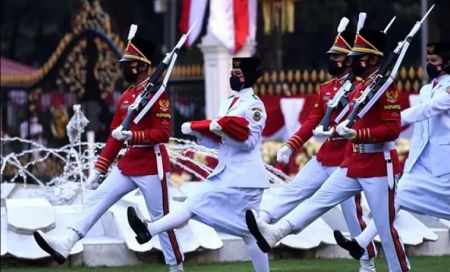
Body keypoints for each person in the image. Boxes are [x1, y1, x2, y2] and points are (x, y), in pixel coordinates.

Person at [246, 27, 410, 272]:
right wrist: (335, 132)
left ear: (373, 59)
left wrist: (356, 133)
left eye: (358, 56)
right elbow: (334, 119)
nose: (352, 61)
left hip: (378, 166)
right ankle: (275, 232)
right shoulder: (359, 87)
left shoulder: (386, 87)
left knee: (385, 230)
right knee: (319, 201)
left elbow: (392, 130)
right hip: (354, 162)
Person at [33, 30, 184, 272]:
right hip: (129, 164)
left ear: (143, 66)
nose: (124, 68)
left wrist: (133, 135)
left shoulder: (157, 94)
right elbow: (114, 137)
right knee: (97, 198)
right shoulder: (126, 97)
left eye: (129, 64)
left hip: (151, 167)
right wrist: (99, 168)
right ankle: (67, 242)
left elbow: (163, 133)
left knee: (162, 221)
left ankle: (176, 268)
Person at [127, 57, 271, 272]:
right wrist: (199, 133)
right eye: (232, 72)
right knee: (248, 234)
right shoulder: (228, 103)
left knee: (202, 207)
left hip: (245, 178)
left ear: (248, 77)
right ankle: (149, 229)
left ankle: (150, 229)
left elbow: (248, 143)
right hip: (227, 173)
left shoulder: (254, 106)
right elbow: (220, 141)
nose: (233, 76)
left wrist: (220, 130)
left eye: (238, 74)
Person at [334, 41, 450, 257]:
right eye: (428, 61)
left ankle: (361, 242)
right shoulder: (427, 88)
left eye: (435, 61)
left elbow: (428, 110)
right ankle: (361, 242)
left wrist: (394, 119)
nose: (430, 65)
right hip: (423, 160)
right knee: (398, 198)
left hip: (445, 161)